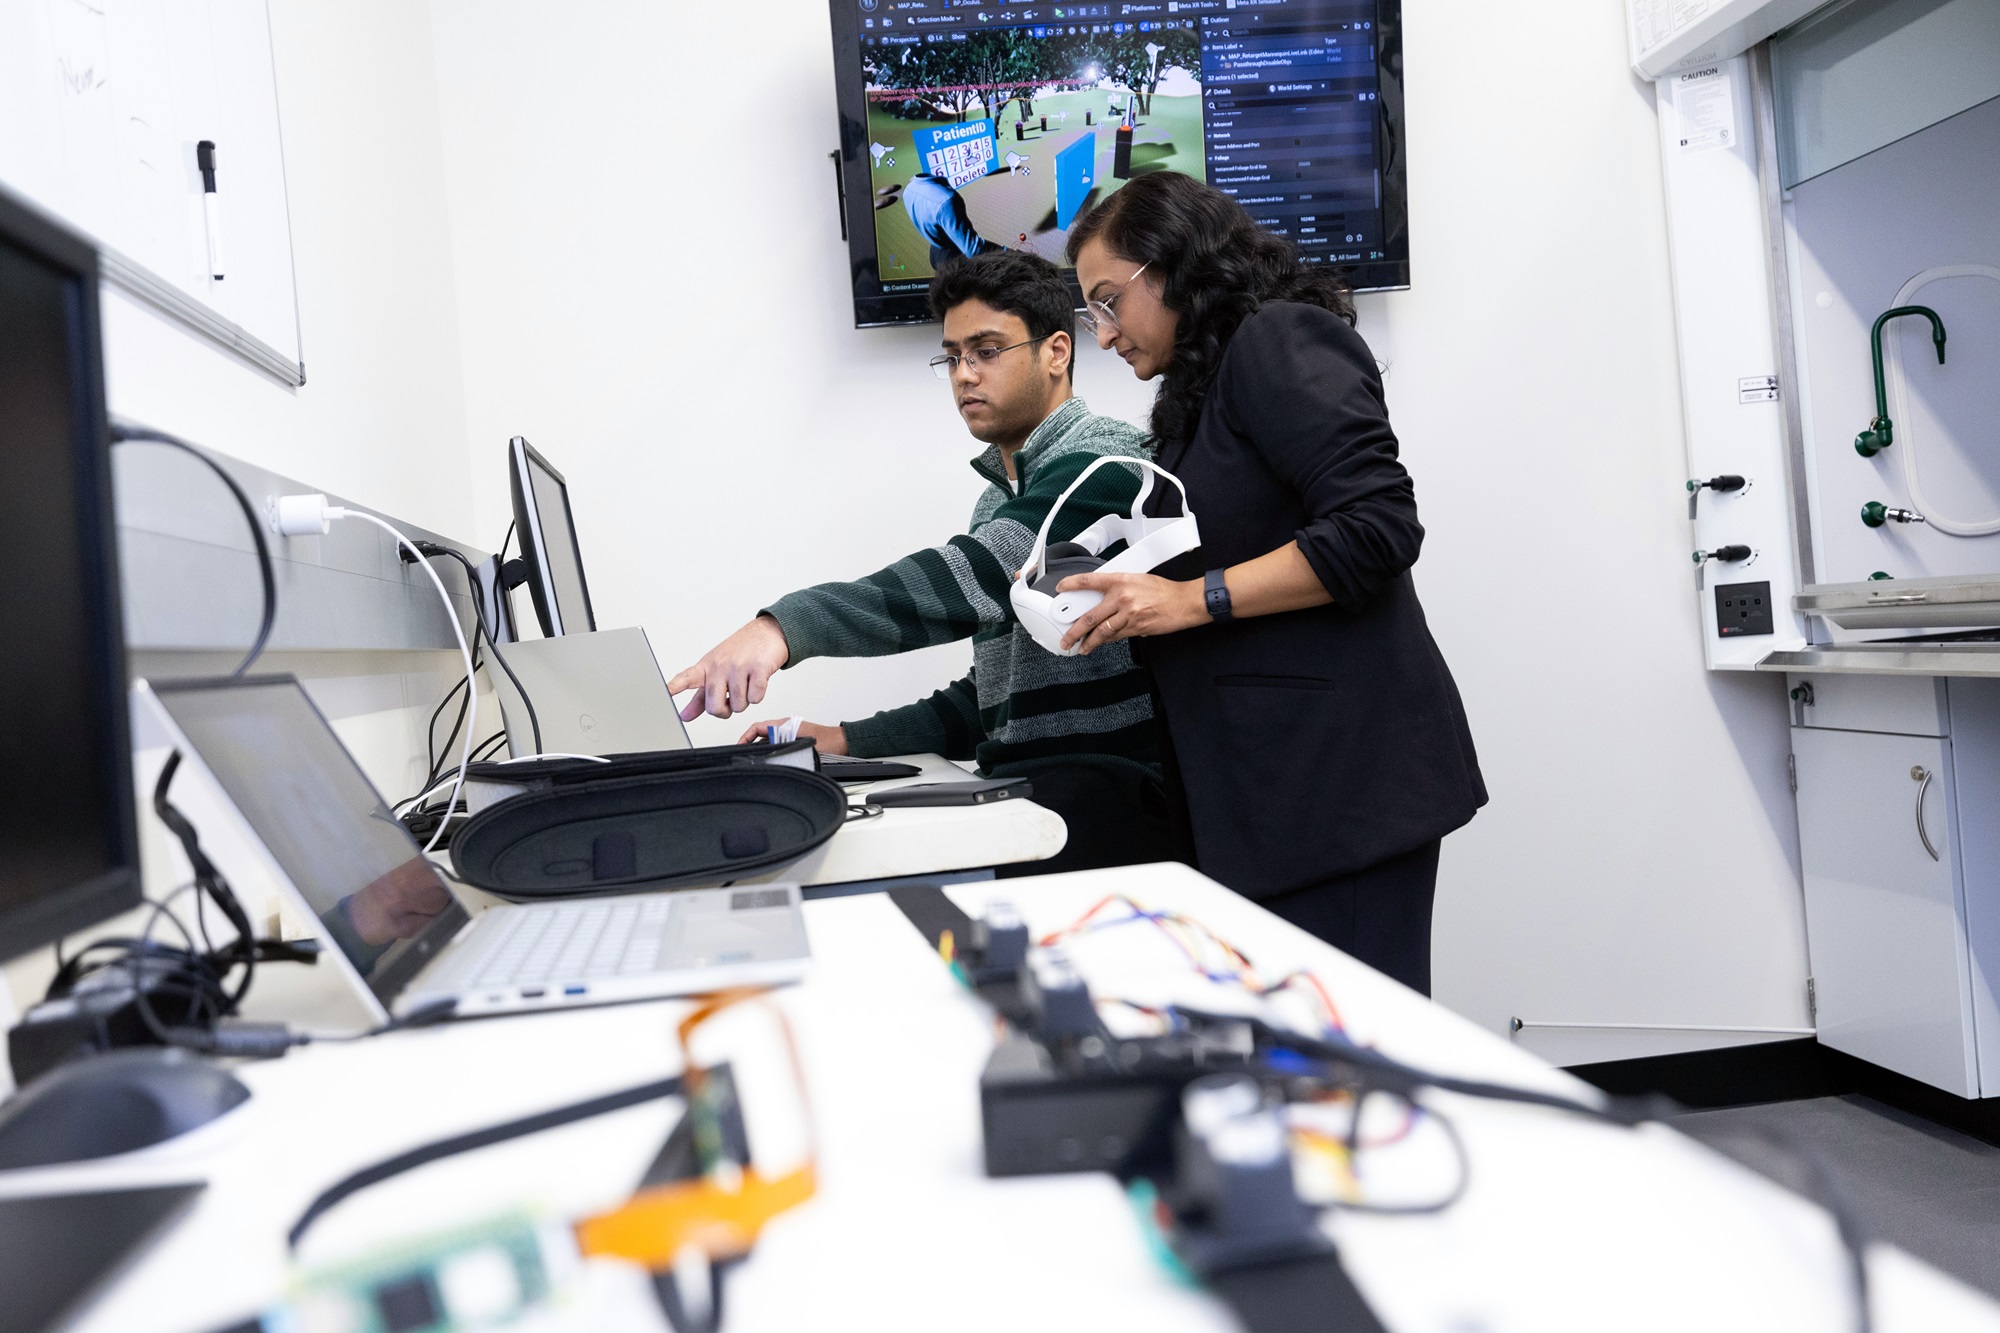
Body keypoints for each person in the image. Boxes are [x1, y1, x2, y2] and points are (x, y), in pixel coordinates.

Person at [1052, 172, 1486, 996]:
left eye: (1109, 303)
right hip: (1266, 795)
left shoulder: (1281, 339)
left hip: (1338, 788)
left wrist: (1191, 599)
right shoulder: (1199, 390)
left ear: (1172, 266)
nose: (1103, 337)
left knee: (1351, 1062)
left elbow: (1378, 527)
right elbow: (1242, 532)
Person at [667, 251, 1175, 875]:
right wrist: (841, 740)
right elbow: (996, 701)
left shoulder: (1108, 463)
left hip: (1109, 797)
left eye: (987, 350)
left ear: (1057, 352)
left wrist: (781, 629)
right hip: (1033, 792)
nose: (965, 375)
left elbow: (971, 577)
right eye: (953, 356)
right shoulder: (997, 500)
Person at [903, 173, 999, 269]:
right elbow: (972, 250)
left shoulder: (908, 189)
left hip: (935, 254)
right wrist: (1006, 252)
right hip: (954, 263)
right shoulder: (947, 200)